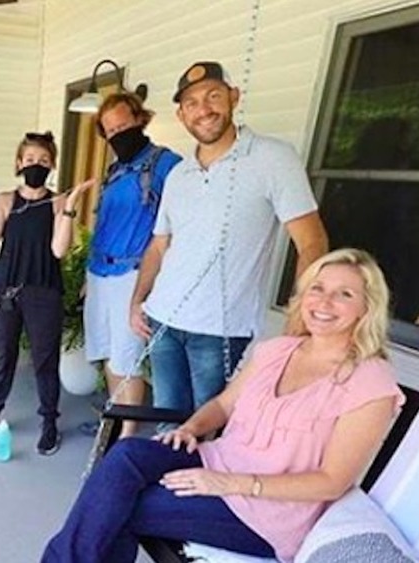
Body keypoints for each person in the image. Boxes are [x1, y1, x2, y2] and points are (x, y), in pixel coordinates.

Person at [44, 248, 405, 563]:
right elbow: (223, 405)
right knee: (124, 458)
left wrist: (226, 483)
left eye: (344, 294)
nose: (325, 303)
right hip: (217, 459)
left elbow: (331, 482)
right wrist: (191, 429)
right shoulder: (278, 350)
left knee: (119, 507)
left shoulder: (370, 381)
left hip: (265, 514)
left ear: (366, 308)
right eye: (318, 288)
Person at [129, 61, 329, 416]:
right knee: (165, 425)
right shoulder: (179, 174)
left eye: (213, 96)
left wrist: (301, 319)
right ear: (181, 115)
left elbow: (311, 243)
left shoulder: (273, 158)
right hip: (162, 321)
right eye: (191, 103)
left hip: (219, 330)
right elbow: (160, 245)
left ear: (233, 97)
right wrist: (138, 300)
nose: (203, 110)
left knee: (208, 432)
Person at [0, 131, 94, 456]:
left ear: (52, 166)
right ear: (19, 163)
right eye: (31, 160)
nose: (37, 165)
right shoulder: (7, 200)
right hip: (5, 290)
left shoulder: (58, 202)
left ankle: (49, 421)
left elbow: (59, 250)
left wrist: (71, 206)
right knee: (4, 358)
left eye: (44, 161)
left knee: (44, 361)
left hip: (44, 292)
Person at [82, 93, 181, 439]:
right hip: (100, 272)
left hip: (132, 274)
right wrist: (87, 275)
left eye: (124, 125)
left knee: (128, 357)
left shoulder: (165, 164)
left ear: (141, 120)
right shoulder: (116, 170)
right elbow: (104, 224)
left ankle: (126, 435)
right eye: (110, 131)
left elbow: (180, 219)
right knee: (110, 353)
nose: (117, 134)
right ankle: (115, 417)